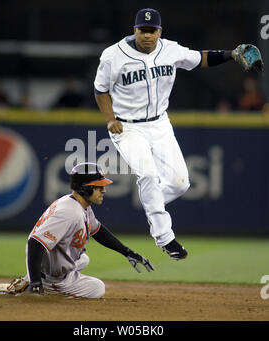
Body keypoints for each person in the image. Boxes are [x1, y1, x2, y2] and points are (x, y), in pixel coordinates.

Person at [94, 8, 253, 260]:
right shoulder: (113, 55)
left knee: (181, 183)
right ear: (134, 30)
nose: (147, 35)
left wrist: (231, 55)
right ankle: (165, 238)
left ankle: (152, 206)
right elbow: (100, 89)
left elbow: (200, 58)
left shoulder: (170, 49)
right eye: (142, 30)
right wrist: (110, 118)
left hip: (159, 124)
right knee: (147, 173)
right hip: (128, 127)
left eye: (152, 30)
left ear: (160, 31)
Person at [18, 162, 153, 297]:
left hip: (49, 265)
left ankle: (35, 278)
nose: (104, 190)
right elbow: (35, 242)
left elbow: (98, 230)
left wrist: (127, 252)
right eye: (98, 187)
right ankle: (42, 285)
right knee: (97, 288)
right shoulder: (69, 213)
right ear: (85, 188)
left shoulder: (79, 205)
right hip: (50, 275)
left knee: (83, 259)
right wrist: (36, 284)